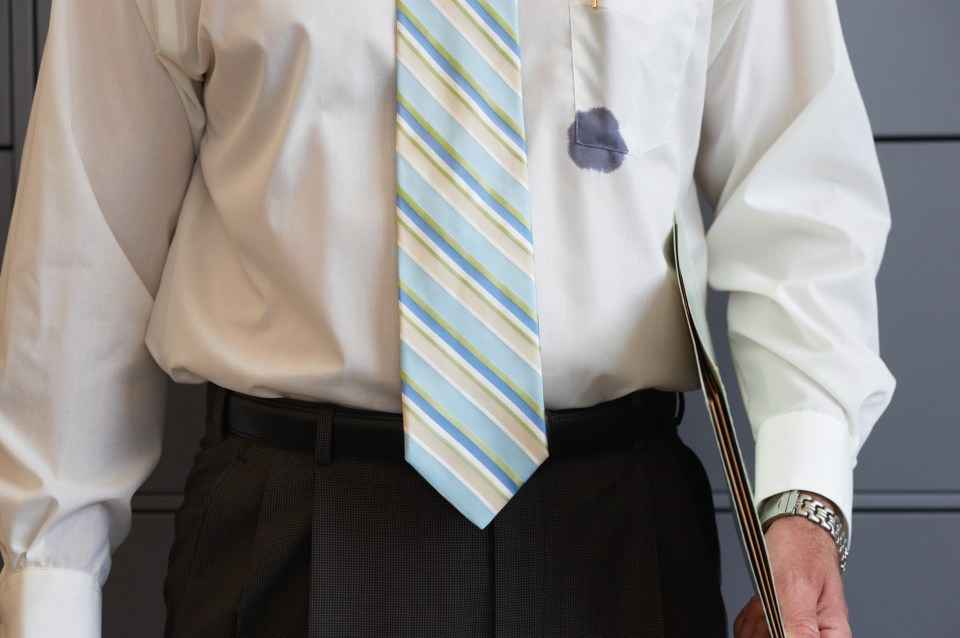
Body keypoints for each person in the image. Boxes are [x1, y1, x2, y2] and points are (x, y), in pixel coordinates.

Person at [0, 0, 894, 636]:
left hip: (617, 544)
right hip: (289, 537)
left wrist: (804, 506)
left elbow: (800, 191)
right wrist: (48, 596)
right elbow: (85, 252)